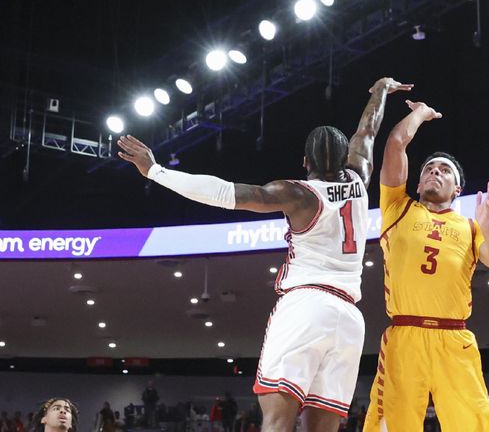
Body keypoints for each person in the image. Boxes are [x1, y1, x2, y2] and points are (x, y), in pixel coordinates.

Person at [118, 77, 412, 432]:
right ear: (345, 158)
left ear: (306, 162)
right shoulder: (359, 176)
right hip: (350, 319)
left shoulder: (298, 194)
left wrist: (156, 171)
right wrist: (379, 91)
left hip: (306, 306)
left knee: (277, 421)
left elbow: (225, 193)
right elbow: (367, 132)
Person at [363, 99, 489, 431]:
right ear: (417, 185)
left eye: (444, 170)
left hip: (454, 339)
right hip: (405, 337)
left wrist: (487, 226)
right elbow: (395, 145)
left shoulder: (471, 228)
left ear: (457, 188)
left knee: (473, 425)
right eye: (429, 169)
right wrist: (420, 114)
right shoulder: (398, 209)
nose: (435, 172)